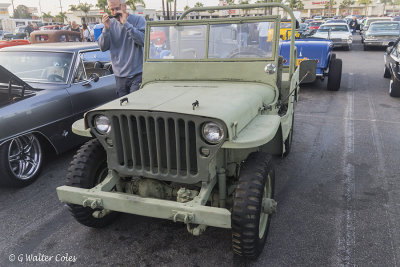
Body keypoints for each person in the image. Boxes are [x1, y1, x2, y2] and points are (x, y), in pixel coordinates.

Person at [98, 0, 145, 97]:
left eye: (117, 8)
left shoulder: (138, 20)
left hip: (137, 75)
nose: (115, 13)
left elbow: (144, 41)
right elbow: (102, 47)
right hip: (119, 77)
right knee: (123, 109)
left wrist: (126, 24)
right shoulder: (109, 24)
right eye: (112, 9)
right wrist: (106, 29)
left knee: (136, 106)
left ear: (124, 6)